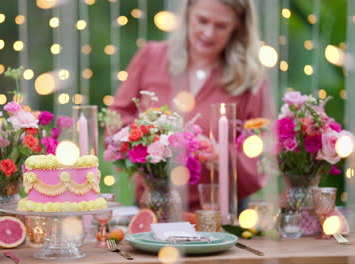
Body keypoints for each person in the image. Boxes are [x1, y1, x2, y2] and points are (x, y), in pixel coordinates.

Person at [109, 0, 275, 212]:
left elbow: (262, 152)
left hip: (218, 215)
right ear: (187, 14)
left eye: (221, 25)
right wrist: (149, 138)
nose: (208, 33)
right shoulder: (151, 57)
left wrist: (221, 154)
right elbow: (116, 119)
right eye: (202, 20)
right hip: (151, 208)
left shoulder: (250, 80)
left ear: (238, 27)